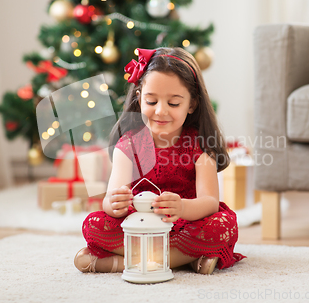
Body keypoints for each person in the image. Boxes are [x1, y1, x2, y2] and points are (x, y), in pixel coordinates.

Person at [74, 47, 245, 275]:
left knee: (224, 225)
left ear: (192, 104)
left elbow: (210, 202)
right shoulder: (129, 145)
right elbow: (110, 202)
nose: (161, 111)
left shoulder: (200, 144)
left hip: (185, 225)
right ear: (139, 98)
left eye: (173, 104)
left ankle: (128, 262)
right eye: (151, 101)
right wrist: (115, 203)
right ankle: (184, 260)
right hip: (139, 228)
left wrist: (182, 207)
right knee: (92, 224)